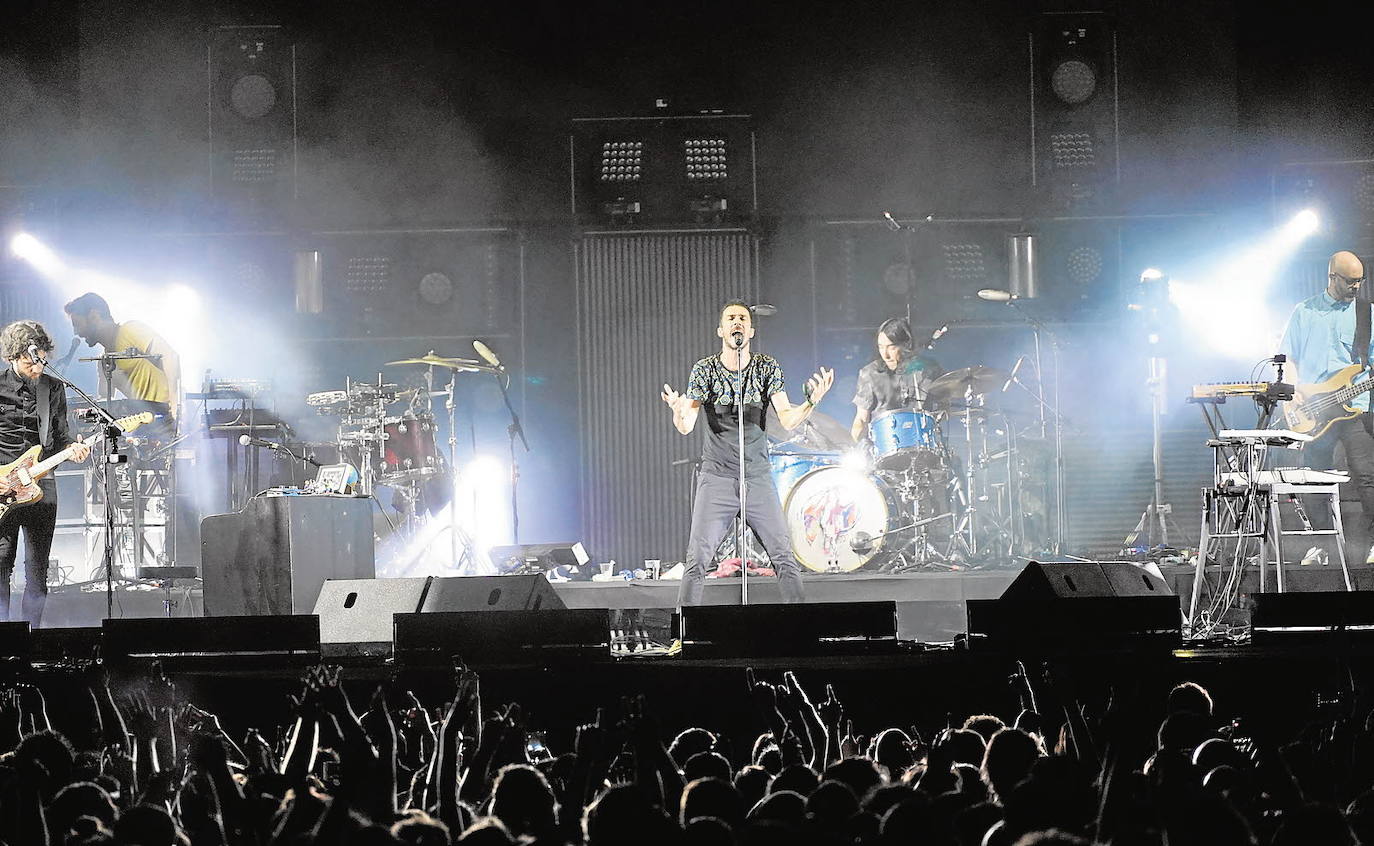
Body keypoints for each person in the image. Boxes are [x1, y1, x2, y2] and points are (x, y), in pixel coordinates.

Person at [661, 299, 834, 607]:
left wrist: (811, 402)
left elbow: (788, 418)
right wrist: (677, 411)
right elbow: (686, 425)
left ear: (750, 330)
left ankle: (802, 635)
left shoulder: (767, 367)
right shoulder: (705, 370)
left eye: (742, 318)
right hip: (717, 478)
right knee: (697, 559)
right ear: (721, 330)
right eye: (731, 318)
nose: (737, 322)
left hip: (757, 477)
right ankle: (683, 635)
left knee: (784, 557)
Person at [1278, 250, 1374, 561]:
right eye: (1350, 281)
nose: (1356, 287)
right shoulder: (1304, 312)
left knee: (1367, 474)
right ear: (1332, 277)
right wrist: (1292, 396)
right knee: (1312, 476)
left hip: (1354, 408)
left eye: (1360, 281)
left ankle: (1373, 543)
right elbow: (1288, 358)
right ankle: (1320, 543)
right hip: (1313, 411)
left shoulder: (1366, 314)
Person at [0, 320, 91, 624]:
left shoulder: (53, 388)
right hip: (2, 489)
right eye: (30, 362)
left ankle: (30, 638)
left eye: (41, 361)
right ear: (13, 356)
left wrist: (73, 449)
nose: (37, 369)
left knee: (38, 571)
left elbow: (62, 437)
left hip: (42, 488)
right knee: (2, 562)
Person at [64, 292, 180, 425]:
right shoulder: (105, 362)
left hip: (170, 417)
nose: (76, 332)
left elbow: (171, 357)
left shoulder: (130, 330)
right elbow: (106, 402)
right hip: (147, 425)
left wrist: (176, 406)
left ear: (94, 316)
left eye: (77, 324)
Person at [849, 316, 944, 443]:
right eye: (881, 347)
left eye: (891, 347)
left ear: (906, 345)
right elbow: (861, 418)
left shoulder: (927, 370)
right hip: (883, 446)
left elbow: (945, 400)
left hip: (922, 443)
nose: (885, 354)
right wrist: (853, 445)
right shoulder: (870, 373)